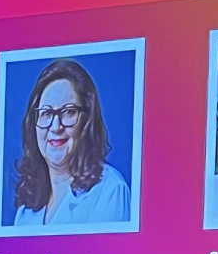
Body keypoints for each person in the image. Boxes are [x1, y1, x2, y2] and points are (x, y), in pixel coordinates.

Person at [12, 60, 130, 226]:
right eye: (46, 113)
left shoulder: (110, 191)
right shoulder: (26, 211)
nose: (56, 127)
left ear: (87, 121)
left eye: (68, 112)